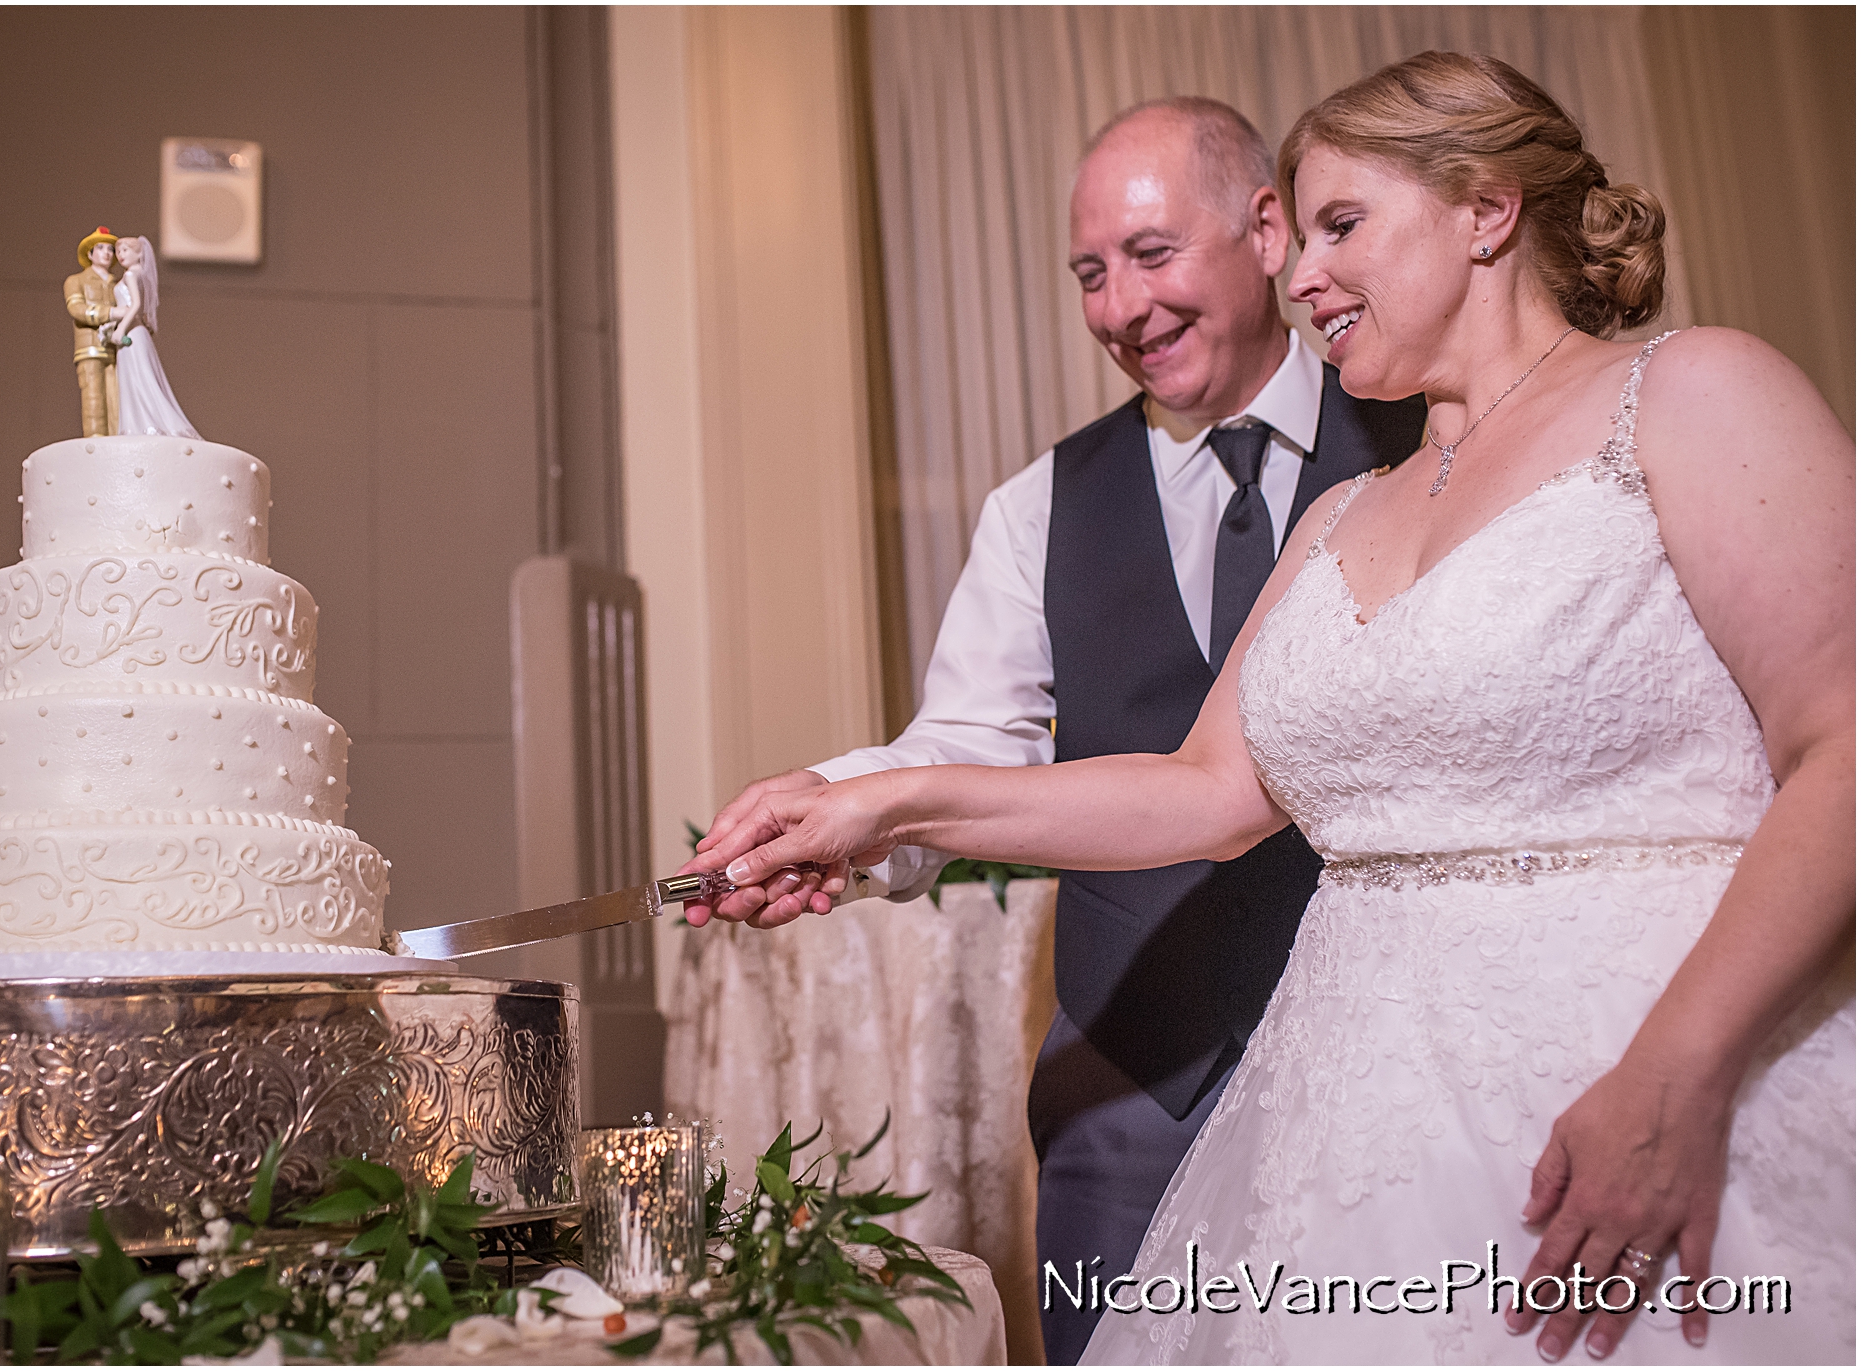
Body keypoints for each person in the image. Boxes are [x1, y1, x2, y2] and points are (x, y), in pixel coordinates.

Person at [694, 52, 1854, 1364]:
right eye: (1298, 238)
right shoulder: (1345, 512)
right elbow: (1199, 789)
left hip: (1647, 1068)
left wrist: (1676, 1075)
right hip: (1340, 1139)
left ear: (1486, 209)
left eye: (1339, 228)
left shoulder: (1694, 392)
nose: (1302, 278)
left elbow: (1846, 741)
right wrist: (876, 799)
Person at [685, 98, 1425, 1362]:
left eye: (1149, 256)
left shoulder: (1430, 436)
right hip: (1127, 1083)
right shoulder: (1038, 504)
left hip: (1395, 1057)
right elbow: (973, 740)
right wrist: (839, 804)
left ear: (1264, 231)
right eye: (1089, 274)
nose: (1119, 308)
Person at [111, 235, 201, 439]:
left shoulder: (131, 275)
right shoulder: (139, 274)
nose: (120, 255)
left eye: (126, 250)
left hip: (131, 333)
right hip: (136, 333)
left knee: (139, 380)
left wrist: (120, 329)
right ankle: (142, 425)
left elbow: (134, 305)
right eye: (119, 251)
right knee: (138, 379)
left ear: (139, 253)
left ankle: (145, 426)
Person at [65, 226, 120, 437]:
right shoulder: (76, 281)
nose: (107, 253)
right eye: (101, 248)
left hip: (115, 350)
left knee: (116, 399)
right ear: (90, 254)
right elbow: (77, 309)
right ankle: (96, 444)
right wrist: (111, 313)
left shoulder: (117, 283)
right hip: (90, 348)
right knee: (94, 398)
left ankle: (116, 440)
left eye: (110, 249)